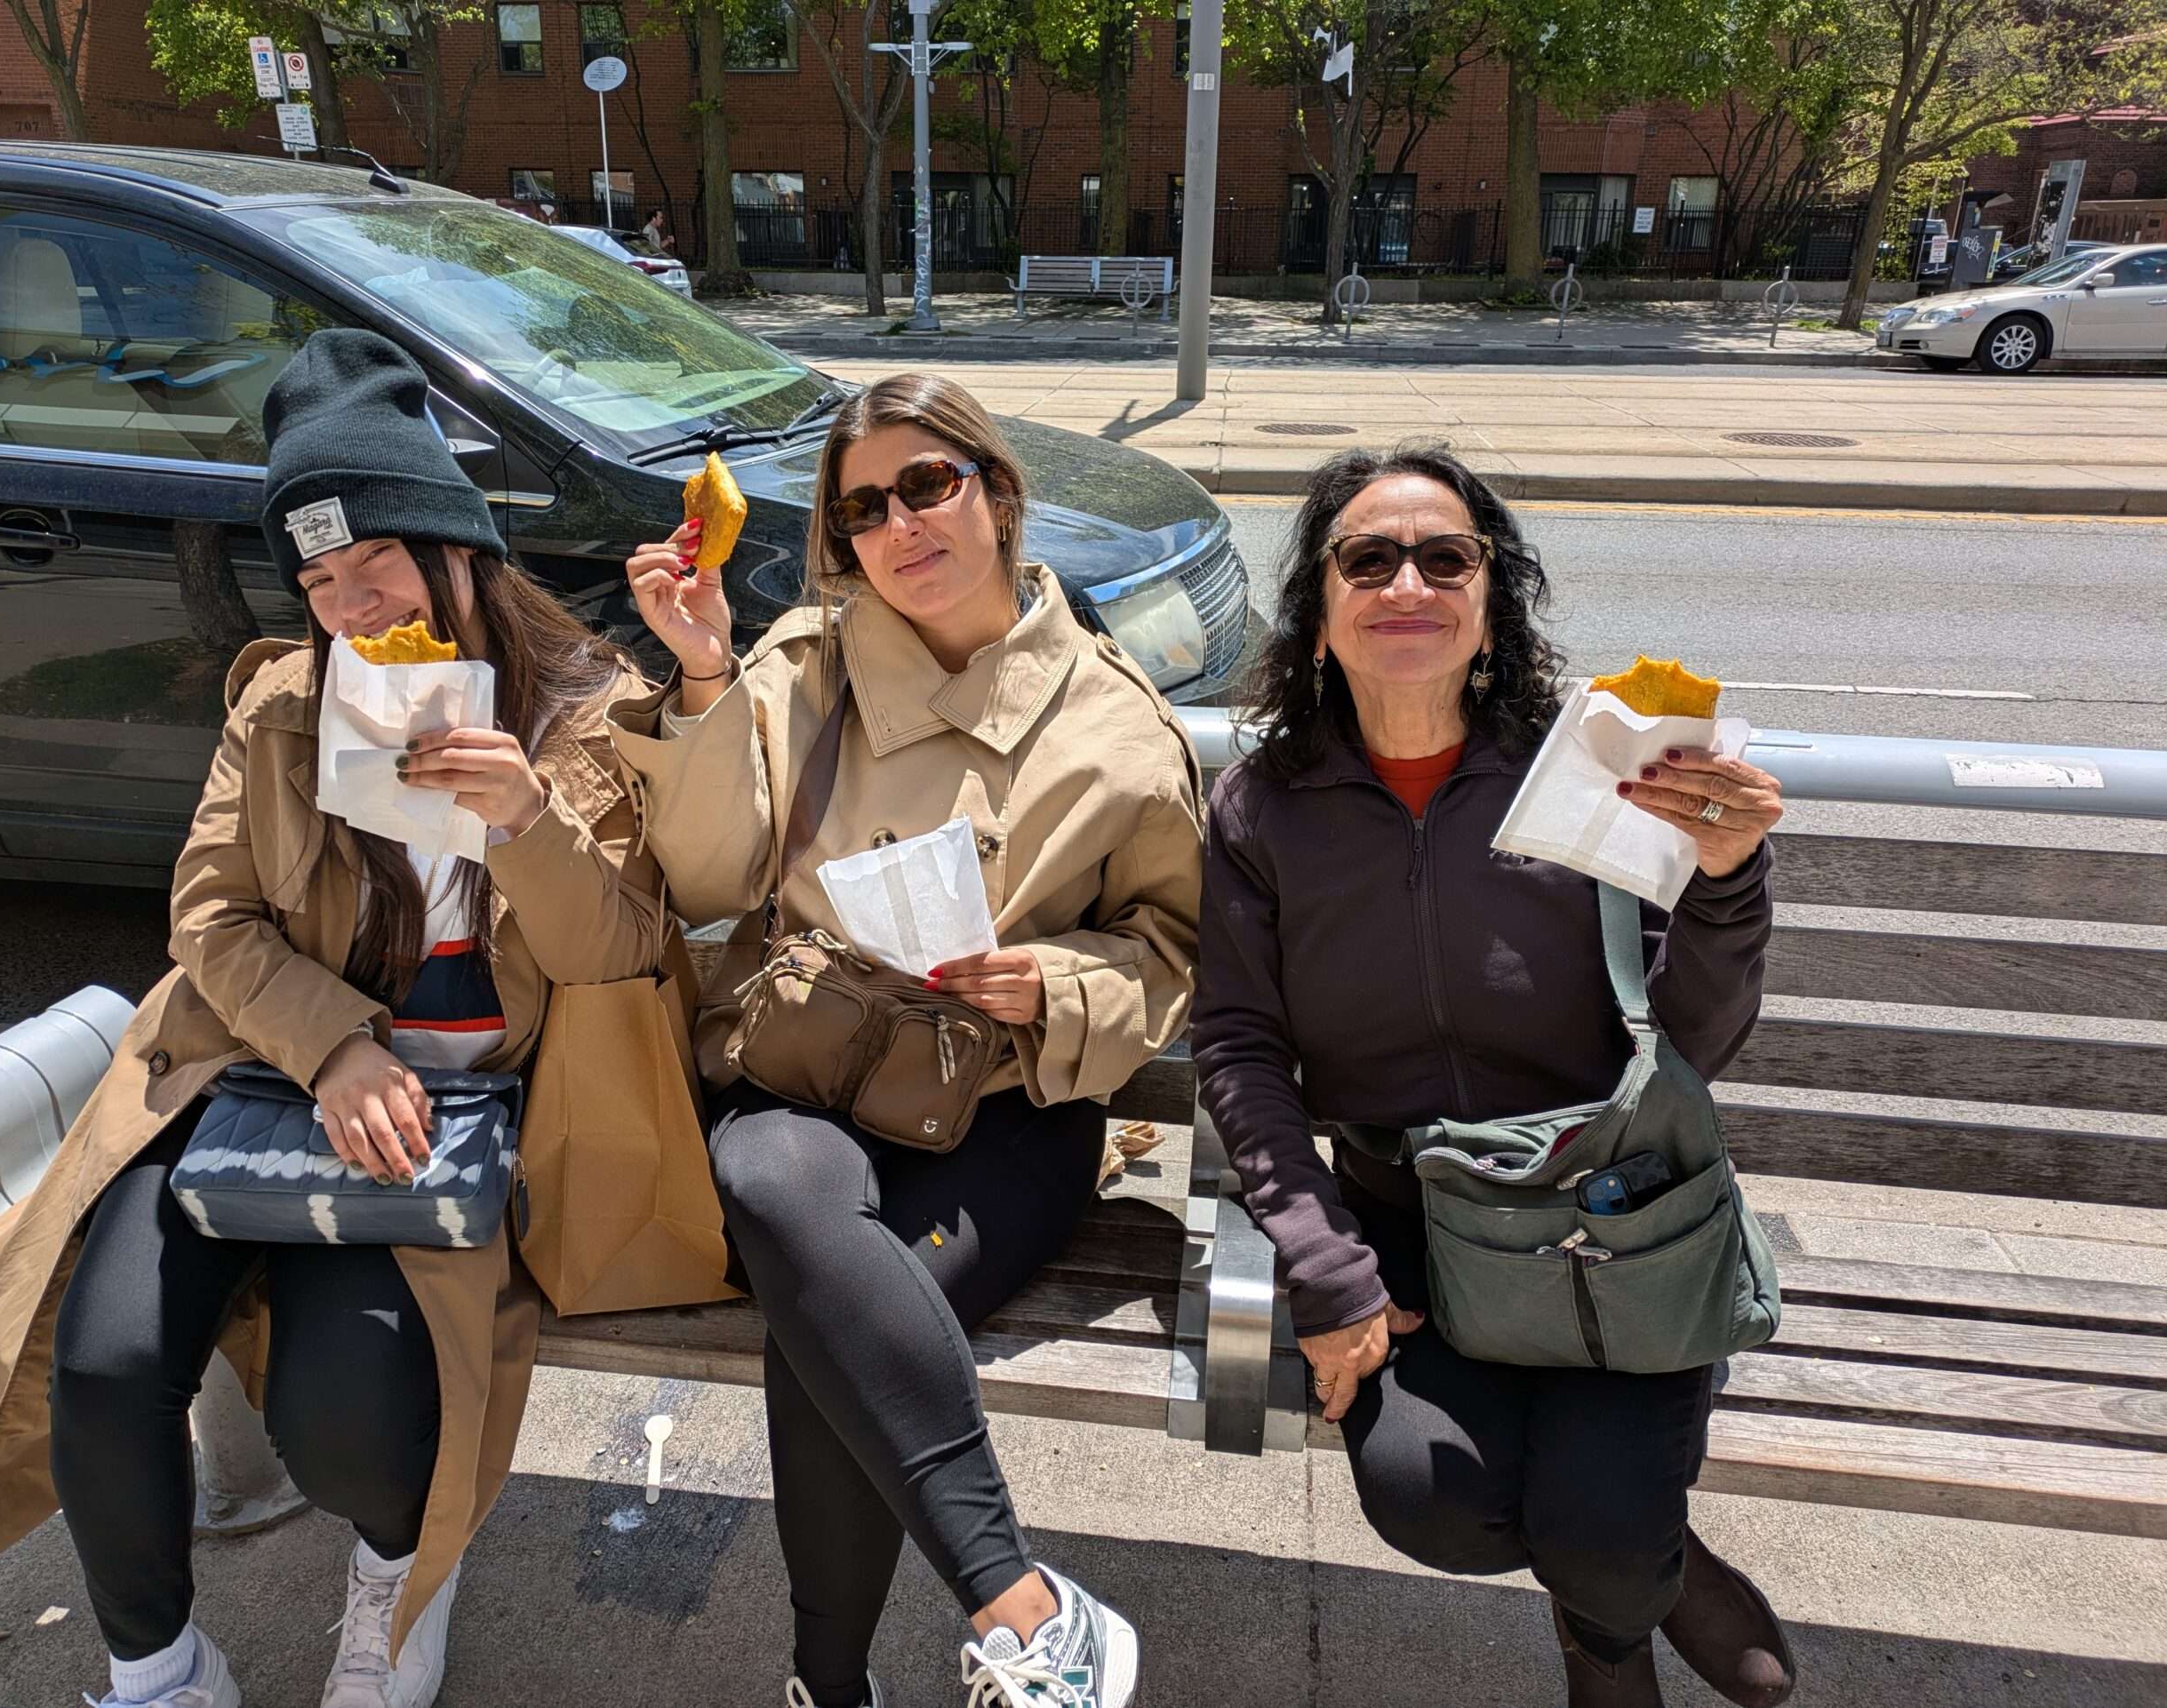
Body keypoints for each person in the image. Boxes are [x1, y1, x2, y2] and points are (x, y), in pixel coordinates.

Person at [0, 330, 672, 1708]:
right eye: (319, 577)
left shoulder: (582, 714)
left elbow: (623, 953)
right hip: (251, 1071)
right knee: (100, 1362)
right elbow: (210, 920)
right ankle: (159, 1669)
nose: (347, 602)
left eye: (375, 561)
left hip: (452, 1117)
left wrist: (525, 819)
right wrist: (332, 1041)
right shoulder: (284, 704)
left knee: (349, 1416)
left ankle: (399, 1573)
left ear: (456, 548)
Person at [613, 372, 1203, 1708]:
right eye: (863, 505)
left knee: (832, 1337)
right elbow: (705, 880)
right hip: (810, 1076)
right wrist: (704, 672)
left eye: (927, 485)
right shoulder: (799, 667)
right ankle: (1020, 1602)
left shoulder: (1115, 724)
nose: (899, 525)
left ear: (997, 493)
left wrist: (1051, 984)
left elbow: (1175, 957)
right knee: (770, 1189)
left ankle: (828, 1680)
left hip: (1005, 1115)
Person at [1191, 445, 1796, 1708]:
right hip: (1405, 1218)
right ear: (1317, 614)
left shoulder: (1599, 768)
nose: (1406, 579)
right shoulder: (1262, 808)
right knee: (1437, 1503)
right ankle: (1652, 1578)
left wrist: (1728, 878)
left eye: (1444, 556)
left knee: (1601, 1527)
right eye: (1368, 557)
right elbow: (1240, 1048)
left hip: (1612, 1210)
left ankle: (1611, 1627)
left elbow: (1693, 1034)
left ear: (1487, 604)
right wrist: (1320, 1254)